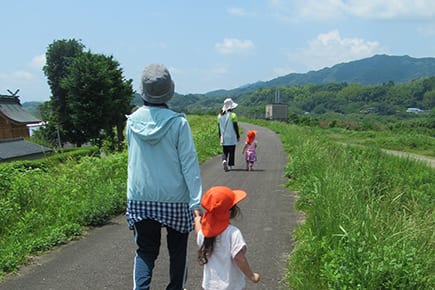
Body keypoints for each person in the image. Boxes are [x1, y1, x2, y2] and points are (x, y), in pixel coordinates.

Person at [125, 63, 203, 290]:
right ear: (170, 90)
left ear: (143, 91)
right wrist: (196, 201)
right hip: (174, 197)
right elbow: (189, 164)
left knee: (145, 251)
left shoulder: (131, 122)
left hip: (140, 196)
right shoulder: (178, 123)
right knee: (177, 251)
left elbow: (132, 159)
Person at [194, 186, 260, 290]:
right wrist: (252, 276)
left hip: (209, 286)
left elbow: (198, 232)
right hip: (231, 286)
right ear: (230, 212)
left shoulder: (204, 234)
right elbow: (239, 258)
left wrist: (197, 219)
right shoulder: (233, 233)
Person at [218, 98, 240, 171]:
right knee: (232, 151)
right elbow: (235, 126)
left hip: (224, 137)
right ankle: (230, 165)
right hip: (232, 136)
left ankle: (224, 160)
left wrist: (220, 136)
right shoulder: (233, 115)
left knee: (225, 151)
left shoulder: (219, 116)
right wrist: (238, 135)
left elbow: (219, 128)